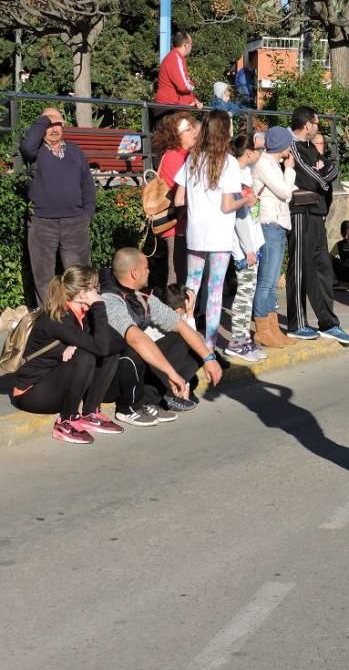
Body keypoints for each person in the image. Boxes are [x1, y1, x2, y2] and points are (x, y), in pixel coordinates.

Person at [101, 248, 223, 422]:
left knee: (190, 341)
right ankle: (128, 408)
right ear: (134, 273)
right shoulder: (110, 299)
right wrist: (172, 373)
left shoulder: (142, 297)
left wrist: (208, 358)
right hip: (110, 376)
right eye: (146, 268)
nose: (149, 271)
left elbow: (180, 326)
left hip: (135, 369)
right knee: (135, 348)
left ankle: (150, 400)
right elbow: (135, 338)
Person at [10, 266, 126, 444]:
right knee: (86, 355)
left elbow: (117, 342)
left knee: (108, 353)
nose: (99, 292)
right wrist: (99, 305)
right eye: (95, 288)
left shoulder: (83, 315)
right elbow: (99, 347)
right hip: (30, 393)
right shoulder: (58, 318)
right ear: (82, 293)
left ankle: (90, 413)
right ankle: (66, 421)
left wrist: (78, 343)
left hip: (54, 386)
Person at [173, 110, 253, 351]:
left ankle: (186, 339)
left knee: (191, 287)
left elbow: (178, 200)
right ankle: (209, 346)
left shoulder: (193, 158)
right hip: (219, 236)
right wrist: (246, 200)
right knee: (215, 292)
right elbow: (227, 205)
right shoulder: (227, 162)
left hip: (195, 233)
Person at [287, 107, 349, 345]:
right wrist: (322, 176)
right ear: (307, 124)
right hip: (300, 213)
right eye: (316, 123)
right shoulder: (293, 146)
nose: (317, 127)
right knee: (299, 269)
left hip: (317, 214)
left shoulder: (310, 148)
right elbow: (311, 177)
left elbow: (331, 168)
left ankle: (329, 322)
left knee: (323, 269)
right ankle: (297, 323)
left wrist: (322, 175)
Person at [19, 108, 96, 306]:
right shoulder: (35, 152)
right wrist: (44, 118)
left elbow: (87, 184)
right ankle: (48, 321)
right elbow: (27, 146)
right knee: (44, 276)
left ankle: (84, 315)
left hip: (75, 222)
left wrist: (87, 215)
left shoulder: (75, 151)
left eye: (57, 124)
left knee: (79, 274)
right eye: (48, 124)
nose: (53, 128)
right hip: (42, 223)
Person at [251, 126, 297, 349]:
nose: (291, 147)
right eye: (289, 143)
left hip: (277, 225)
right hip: (269, 225)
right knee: (267, 282)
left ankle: (273, 329)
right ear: (282, 145)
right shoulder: (264, 163)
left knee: (270, 284)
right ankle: (262, 330)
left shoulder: (272, 164)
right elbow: (285, 193)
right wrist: (289, 170)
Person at [226, 135, 267, 362]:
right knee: (244, 295)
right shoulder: (236, 176)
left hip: (250, 244)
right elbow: (239, 215)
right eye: (259, 149)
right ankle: (237, 342)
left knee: (248, 294)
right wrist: (248, 248)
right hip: (244, 248)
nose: (262, 153)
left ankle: (244, 341)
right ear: (249, 152)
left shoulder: (243, 174)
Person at [152, 112, 200, 285]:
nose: (194, 132)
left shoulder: (188, 155)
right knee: (177, 273)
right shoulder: (173, 157)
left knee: (186, 272)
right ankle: (174, 310)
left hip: (185, 222)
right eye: (188, 130)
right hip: (175, 223)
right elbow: (181, 193)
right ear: (176, 136)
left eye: (193, 128)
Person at [155, 32, 203, 108]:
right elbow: (184, 86)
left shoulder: (176, 57)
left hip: (169, 105)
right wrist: (192, 85)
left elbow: (181, 88)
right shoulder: (175, 59)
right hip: (168, 107)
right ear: (186, 45)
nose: (191, 46)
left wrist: (193, 99)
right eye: (191, 44)